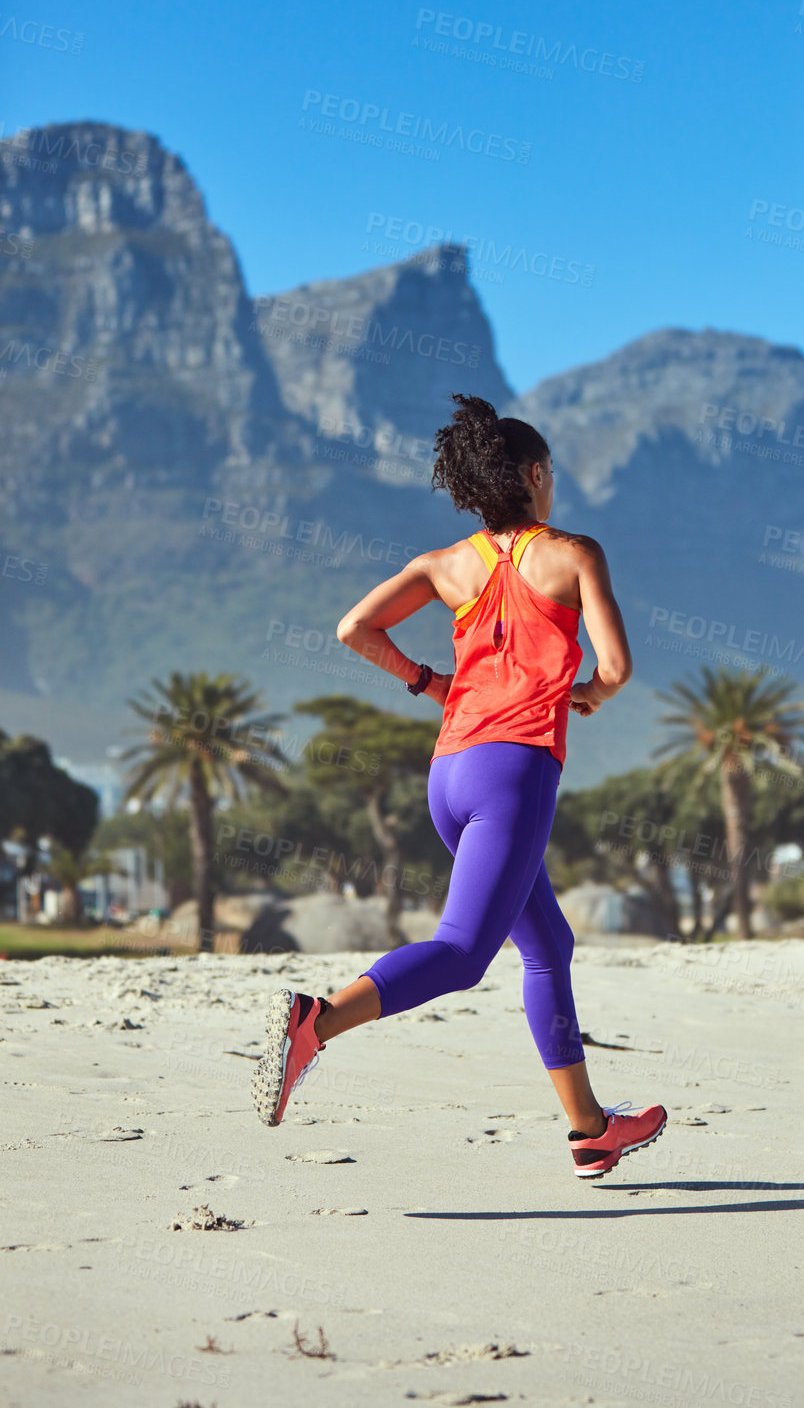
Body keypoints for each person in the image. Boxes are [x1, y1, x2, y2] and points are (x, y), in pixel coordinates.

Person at [251, 393, 666, 1180]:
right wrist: (592, 695)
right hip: (515, 772)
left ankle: (589, 1130)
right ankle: (318, 1021)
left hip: (449, 774)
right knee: (464, 951)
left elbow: (354, 629)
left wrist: (429, 682)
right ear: (536, 475)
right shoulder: (574, 553)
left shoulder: (445, 565)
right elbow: (615, 668)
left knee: (549, 946)